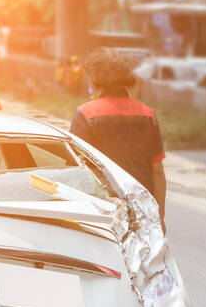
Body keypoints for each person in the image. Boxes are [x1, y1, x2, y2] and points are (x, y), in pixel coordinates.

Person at [69, 49, 167, 219]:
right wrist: (160, 216)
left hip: (104, 208)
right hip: (142, 208)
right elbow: (157, 171)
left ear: (94, 80)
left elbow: (77, 170)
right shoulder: (147, 114)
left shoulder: (86, 114)